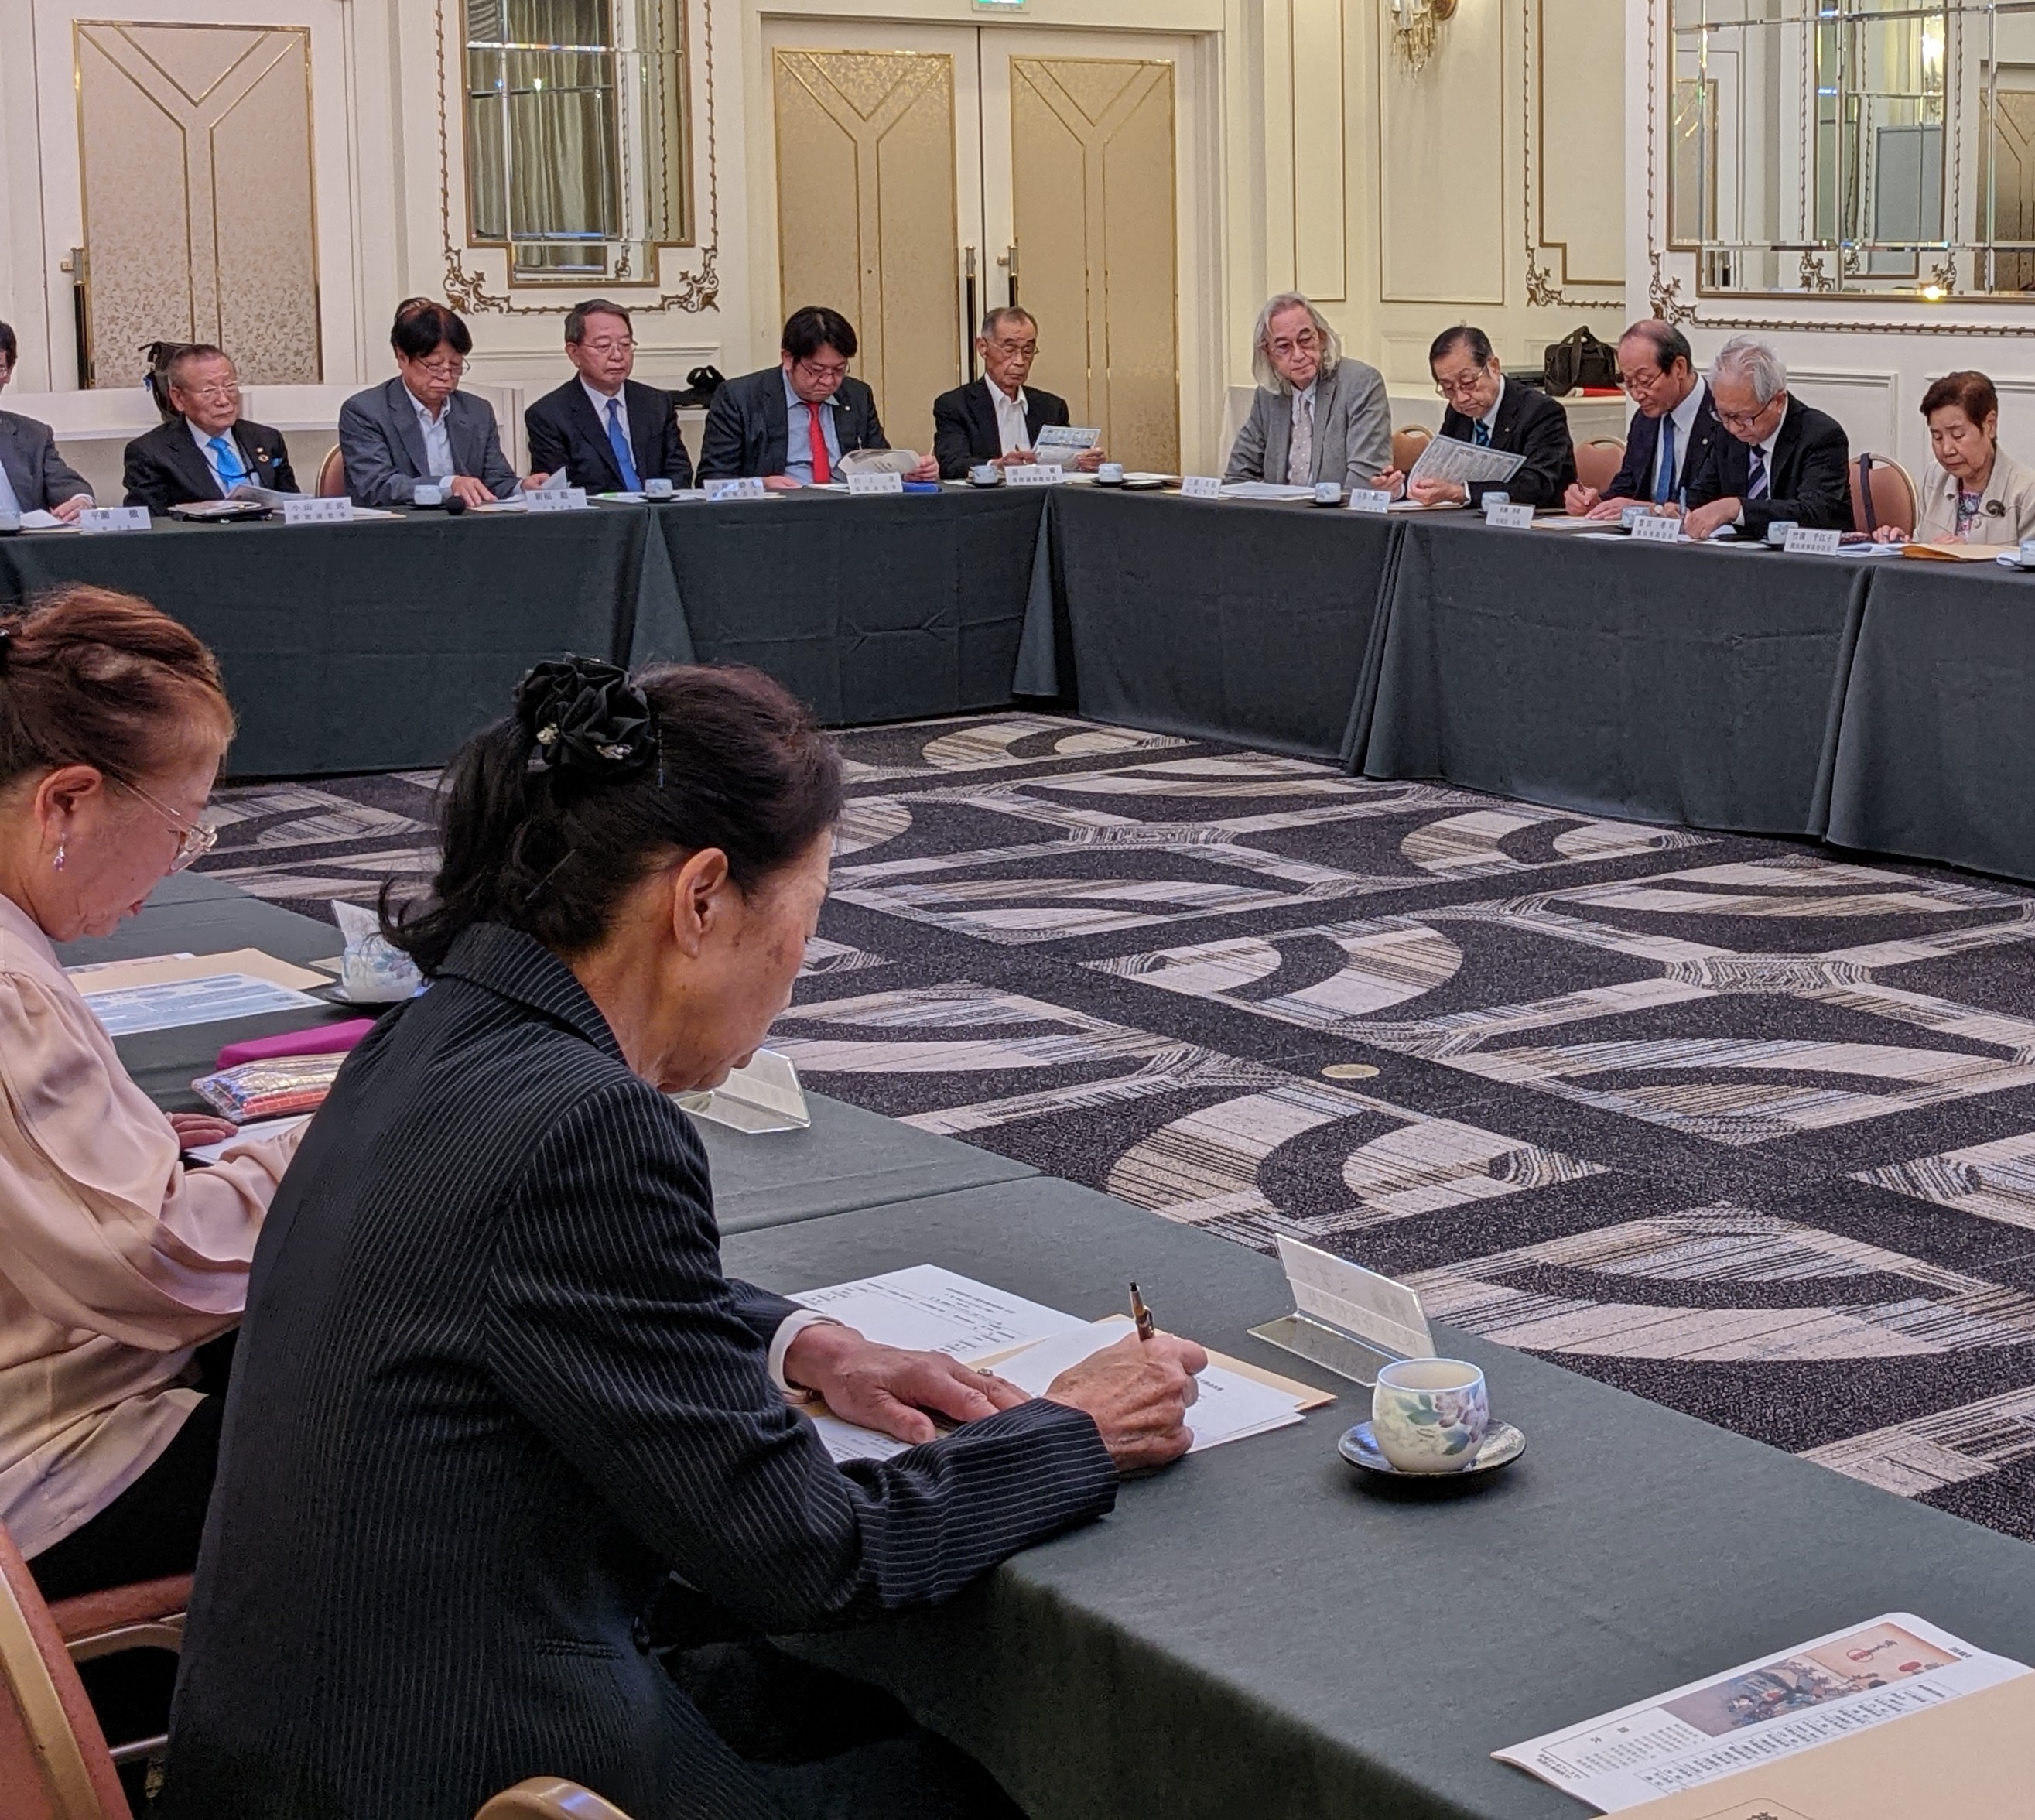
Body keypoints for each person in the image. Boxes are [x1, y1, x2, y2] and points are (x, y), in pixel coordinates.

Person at [157, 658, 1207, 1820]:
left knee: (848, 1708)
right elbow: (809, 1557)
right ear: (702, 898)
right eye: (807, 921)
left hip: (305, 1742)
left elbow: (525, 1285)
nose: (798, 968)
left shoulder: (429, 1033)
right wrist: (1074, 1430)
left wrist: (807, 1344)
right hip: (481, 1772)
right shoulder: (588, 1127)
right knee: (1004, 1786)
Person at [0, 586, 298, 1601]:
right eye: (183, 827)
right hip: (46, 1462)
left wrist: (128, 1143)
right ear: (67, 801)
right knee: (419, 1447)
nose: (179, 862)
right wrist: (315, 1149)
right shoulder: (10, 986)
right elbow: (158, 1264)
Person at [699, 305, 937, 488]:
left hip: (849, 513)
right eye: (817, 370)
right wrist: (760, 485)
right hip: (775, 515)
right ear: (788, 359)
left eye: (839, 370)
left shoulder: (857, 395)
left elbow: (879, 461)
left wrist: (907, 474)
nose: (829, 381)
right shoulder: (740, 398)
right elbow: (711, 480)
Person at [337, 300, 528, 508]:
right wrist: (448, 485)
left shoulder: (478, 411)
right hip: (401, 525)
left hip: (468, 524)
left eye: (455, 366)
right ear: (402, 358)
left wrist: (524, 487)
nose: (446, 376)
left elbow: (496, 482)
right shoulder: (365, 411)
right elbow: (377, 486)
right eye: (435, 366)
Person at [1377, 324, 1575, 510]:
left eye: (1468, 382)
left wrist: (1461, 493)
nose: (1461, 398)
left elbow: (1536, 486)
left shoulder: (1541, 412)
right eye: (1448, 388)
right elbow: (1440, 469)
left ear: (1494, 367)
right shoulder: (1458, 412)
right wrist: (1398, 486)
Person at [1681, 337, 1851, 541]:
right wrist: (1680, 511)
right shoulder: (1727, 433)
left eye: (1745, 417)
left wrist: (1737, 508)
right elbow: (1702, 496)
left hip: (1808, 556)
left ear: (1778, 402)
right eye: (1724, 415)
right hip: (1741, 555)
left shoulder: (1821, 435)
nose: (1734, 428)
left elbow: (1815, 513)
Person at [1873, 371, 2035, 549]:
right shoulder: (1935, 477)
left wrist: (1968, 558)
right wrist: (1903, 547)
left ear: (1990, 425)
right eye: (1937, 437)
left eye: (1958, 435)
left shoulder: (2033, 495)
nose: (1946, 449)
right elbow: (1924, 548)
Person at [1223, 292, 1390, 490]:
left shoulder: (1360, 384)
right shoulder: (1268, 395)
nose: (1298, 355)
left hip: (1336, 508)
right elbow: (1238, 476)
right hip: (1279, 509)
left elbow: (1365, 478)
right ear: (1267, 354)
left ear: (1321, 337)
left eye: (1305, 340)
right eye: (1283, 347)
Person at [524, 299, 691, 495]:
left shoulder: (657, 404)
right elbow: (559, 491)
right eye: (603, 346)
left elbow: (679, 473)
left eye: (625, 345)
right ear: (574, 353)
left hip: (657, 510)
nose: (617, 356)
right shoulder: (548, 415)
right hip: (597, 513)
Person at [1565, 320, 1726, 520]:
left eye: (1645, 381)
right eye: (1629, 384)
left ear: (1679, 368)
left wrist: (1653, 510)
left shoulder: (1723, 416)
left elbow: (1716, 501)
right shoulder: (1644, 419)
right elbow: (1627, 487)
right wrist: (1596, 503)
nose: (1637, 395)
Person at [120, 346, 298, 512]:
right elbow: (150, 525)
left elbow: (293, 509)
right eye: (208, 391)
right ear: (178, 398)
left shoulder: (267, 439)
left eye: (230, 386)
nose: (223, 400)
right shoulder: (151, 453)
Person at [932, 306, 1081, 472]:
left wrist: (1081, 462)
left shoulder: (1052, 408)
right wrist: (998, 466)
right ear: (983, 347)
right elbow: (952, 464)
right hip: (989, 489)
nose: (1020, 361)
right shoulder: (955, 406)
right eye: (1009, 350)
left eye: (1028, 351)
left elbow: (1063, 462)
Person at [0, 323, 92, 522]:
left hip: (23, 540)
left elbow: (66, 484)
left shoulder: (33, 435)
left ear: (8, 373)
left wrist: (81, 501)